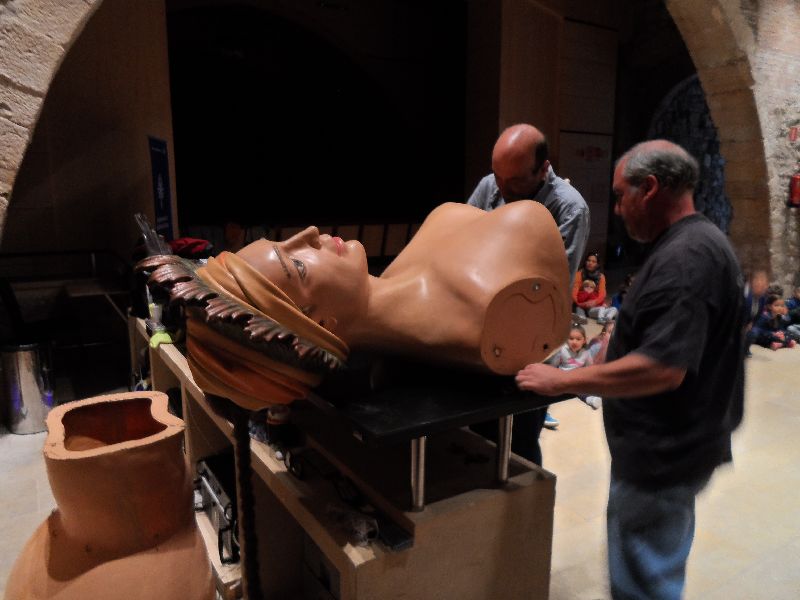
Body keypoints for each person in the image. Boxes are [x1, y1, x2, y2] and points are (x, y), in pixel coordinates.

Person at [515, 139, 745, 599]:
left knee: (643, 583)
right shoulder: (695, 242)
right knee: (650, 566)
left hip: (662, 456)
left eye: (621, 195)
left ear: (651, 188)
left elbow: (662, 369)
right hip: (673, 451)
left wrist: (562, 379)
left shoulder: (685, 259)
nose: (618, 209)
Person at [141, 199, 572, 410]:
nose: (310, 233)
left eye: (286, 240)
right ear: (320, 324)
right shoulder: (496, 298)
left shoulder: (418, 275)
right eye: (298, 266)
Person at [467, 123, 590, 447]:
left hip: (532, 340)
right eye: (499, 177)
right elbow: (462, 244)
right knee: (476, 437)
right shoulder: (490, 185)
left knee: (519, 441)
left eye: (515, 181)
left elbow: (547, 287)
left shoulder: (569, 208)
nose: (502, 188)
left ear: (543, 169)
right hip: (480, 328)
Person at [546, 324, 601, 411]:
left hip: (577, 377)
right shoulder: (562, 350)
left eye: (578, 339)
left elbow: (590, 367)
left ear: (584, 340)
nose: (574, 342)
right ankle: (589, 399)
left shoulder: (586, 353)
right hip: (563, 376)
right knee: (574, 387)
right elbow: (553, 365)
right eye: (571, 338)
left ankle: (593, 395)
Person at [572, 252, 608, 322]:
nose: (590, 263)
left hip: (594, 305)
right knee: (582, 320)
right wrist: (582, 304)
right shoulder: (579, 274)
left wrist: (595, 302)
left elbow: (602, 294)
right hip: (580, 305)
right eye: (588, 260)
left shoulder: (601, 277)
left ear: (597, 264)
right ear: (585, 262)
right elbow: (574, 294)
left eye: (593, 261)